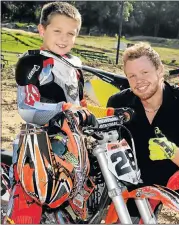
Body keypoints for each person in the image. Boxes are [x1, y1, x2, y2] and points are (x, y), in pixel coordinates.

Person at [5, 2, 107, 224]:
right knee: (28, 201)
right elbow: (27, 108)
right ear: (42, 30)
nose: (64, 38)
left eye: (71, 33)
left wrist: (106, 112)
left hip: (70, 146)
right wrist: (64, 109)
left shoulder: (75, 64)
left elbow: (80, 104)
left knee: (78, 198)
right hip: (36, 147)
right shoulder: (33, 62)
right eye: (57, 31)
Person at [107, 42, 179, 223]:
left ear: (159, 70)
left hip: (173, 181)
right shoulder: (118, 103)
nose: (139, 81)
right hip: (135, 185)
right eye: (132, 76)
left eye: (145, 73)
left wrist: (171, 151)